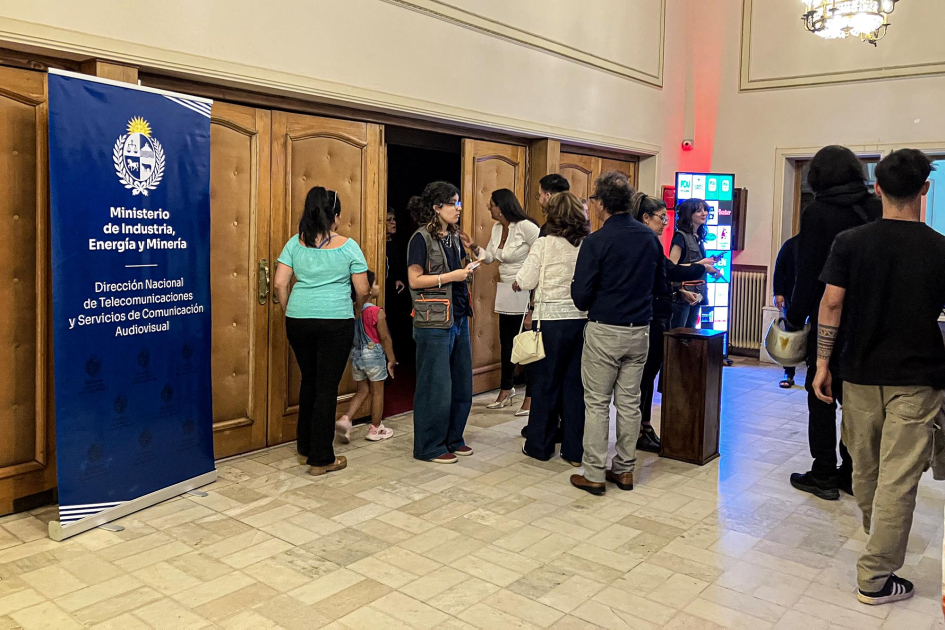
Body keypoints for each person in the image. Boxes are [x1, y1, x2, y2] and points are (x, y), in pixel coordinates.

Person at [812, 149, 945, 605]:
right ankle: (876, 573)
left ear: (878, 189)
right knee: (897, 477)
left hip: (859, 373)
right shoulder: (941, 248)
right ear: (924, 189)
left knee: (866, 468)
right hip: (919, 376)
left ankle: (877, 550)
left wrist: (823, 364)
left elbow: (831, 304)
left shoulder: (851, 241)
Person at [787, 145, 882, 501]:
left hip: (830, 318)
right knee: (856, 400)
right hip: (870, 321)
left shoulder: (818, 212)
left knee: (821, 394)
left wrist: (795, 316)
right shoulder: (875, 207)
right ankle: (852, 471)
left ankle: (823, 472)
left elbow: (809, 270)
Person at [569, 171, 666, 495]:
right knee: (629, 402)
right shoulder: (650, 239)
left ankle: (594, 473)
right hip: (640, 330)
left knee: (596, 402)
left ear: (600, 204)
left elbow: (581, 296)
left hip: (605, 329)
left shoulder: (596, 241)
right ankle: (624, 470)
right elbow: (659, 287)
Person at [273, 186, 370, 476]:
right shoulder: (349, 246)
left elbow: (280, 283)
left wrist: (290, 310)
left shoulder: (294, 243)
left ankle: (305, 447)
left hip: (298, 319)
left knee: (309, 382)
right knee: (327, 387)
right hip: (335, 320)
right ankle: (321, 458)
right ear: (335, 216)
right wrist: (355, 309)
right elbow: (363, 289)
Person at [630, 192, 717, 453]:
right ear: (645, 218)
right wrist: (701, 267)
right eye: (660, 217)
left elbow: (661, 279)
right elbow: (671, 270)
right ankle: (639, 428)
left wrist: (679, 290)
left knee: (650, 372)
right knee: (645, 375)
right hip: (651, 317)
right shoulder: (649, 242)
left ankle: (644, 426)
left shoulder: (650, 241)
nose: (665, 222)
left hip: (662, 308)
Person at [513, 192, 589, 465]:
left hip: (550, 322)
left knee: (545, 385)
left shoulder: (544, 244)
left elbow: (525, 279)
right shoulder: (585, 245)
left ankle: (539, 446)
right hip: (581, 321)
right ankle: (574, 450)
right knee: (575, 386)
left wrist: (518, 282)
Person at [406, 182, 478, 464]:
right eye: (452, 203)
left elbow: (461, 269)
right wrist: (452, 276)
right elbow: (415, 279)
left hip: (459, 316)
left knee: (461, 384)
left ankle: (453, 438)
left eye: (458, 202)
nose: (458, 208)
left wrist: (471, 265)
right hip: (433, 319)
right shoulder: (420, 239)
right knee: (434, 385)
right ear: (436, 208)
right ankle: (428, 445)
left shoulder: (455, 236)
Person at [462, 189, 540, 413]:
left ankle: (531, 397)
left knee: (527, 345)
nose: (489, 208)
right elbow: (490, 258)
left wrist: (532, 296)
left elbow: (540, 256)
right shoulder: (497, 228)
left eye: (492, 204)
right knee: (507, 343)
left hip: (525, 290)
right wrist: (474, 247)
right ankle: (507, 389)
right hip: (506, 290)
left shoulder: (526, 226)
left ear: (503, 206)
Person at [336, 270, 397, 443]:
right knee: (377, 392)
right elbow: (384, 338)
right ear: (368, 290)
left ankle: (346, 418)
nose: (378, 287)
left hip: (356, 355)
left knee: (362, 390)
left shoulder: (352, 310)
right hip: (374, 356)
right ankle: (376, 428)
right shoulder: (377, 311)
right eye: (376, 284)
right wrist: (391, 359)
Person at [669, 198, 711, 329]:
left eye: (705, 210)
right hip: (683, 294)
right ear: (689, 214)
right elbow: (672, 267)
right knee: (679, 333)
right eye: (699, 211)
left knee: (691, 332)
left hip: (697, 292)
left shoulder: (698, 237)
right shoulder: (680, 236)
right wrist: (701, 264)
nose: (704, 213)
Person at [773, 234, 799, 388]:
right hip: (792, 294)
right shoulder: (791, 244)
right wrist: (779, 293)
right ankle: (788, 373)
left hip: (816, 295)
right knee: (790, 334)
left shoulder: (824, 243)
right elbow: (780, 268)